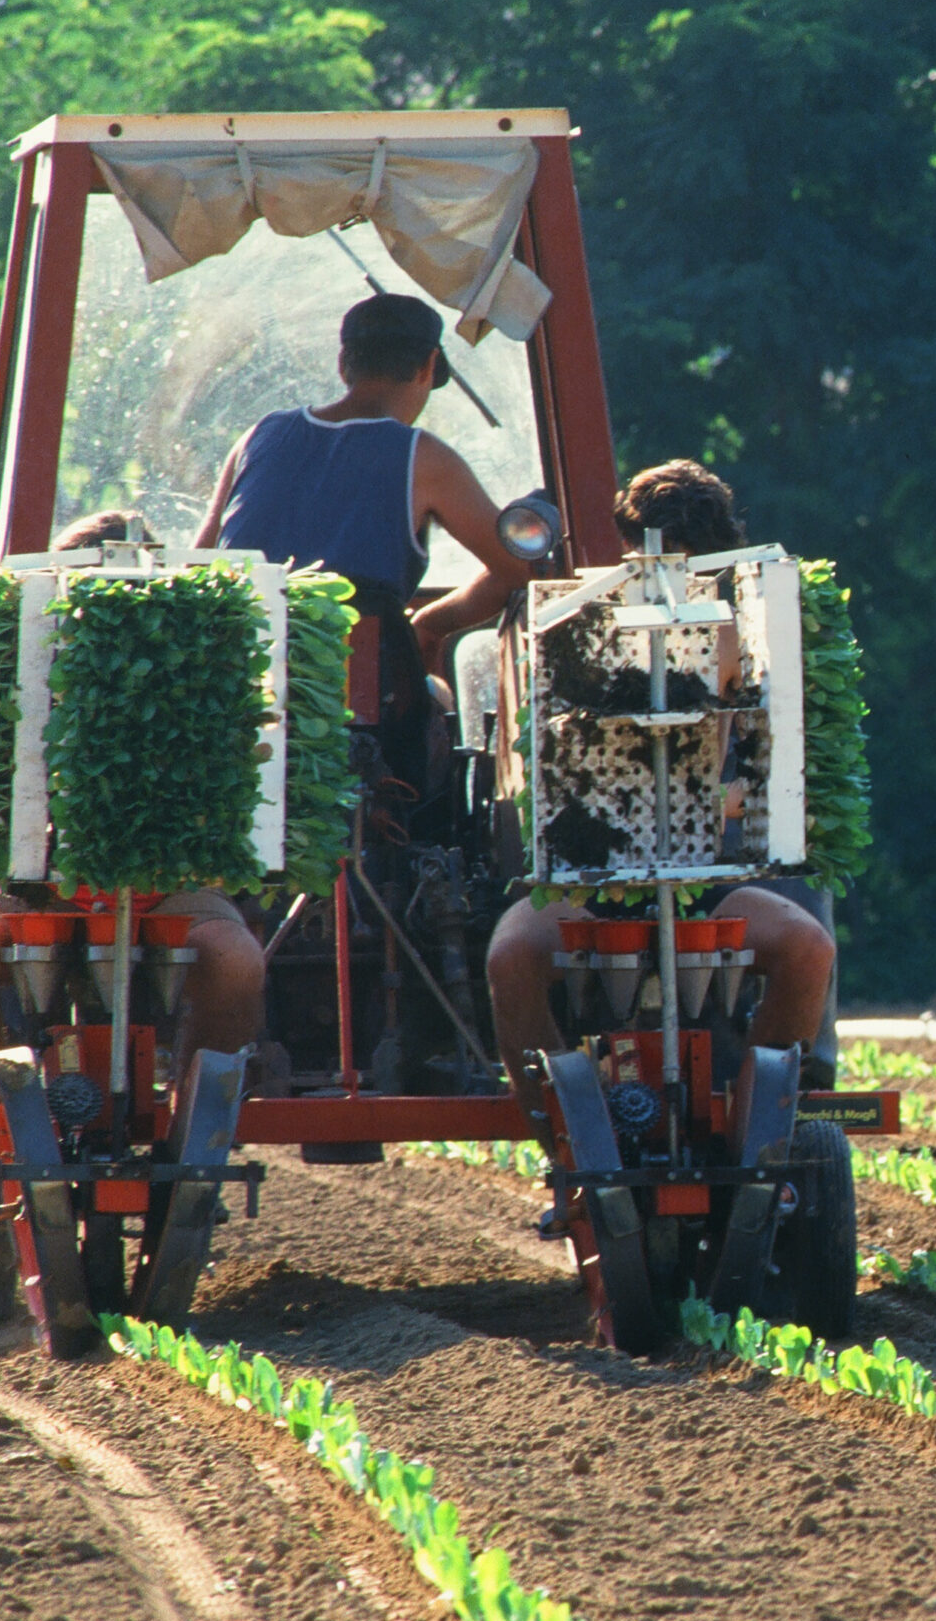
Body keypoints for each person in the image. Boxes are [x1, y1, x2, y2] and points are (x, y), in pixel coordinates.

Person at [0, 512, 272, 1225]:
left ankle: (193, 1146)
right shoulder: (8, 662)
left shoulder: (193, 672)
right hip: (32, 880)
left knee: (235, 957)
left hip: (167, 884)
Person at [484, 461, 838, 1109]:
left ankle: (761, 1112)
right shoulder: (581, 624)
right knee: (510, 956)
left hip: (703, 885)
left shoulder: (740, 634)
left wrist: (714, 804)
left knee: (808, 946)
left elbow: (762, 784)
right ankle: (560, 1119)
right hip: (594, 886)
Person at [196, 292, 531, 679]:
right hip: (358, 699)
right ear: (428, 367)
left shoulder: (259, 436)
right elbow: (517, 570)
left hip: (238, 685)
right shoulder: (423, 458)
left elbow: (198, 566)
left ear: (343, 365)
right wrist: (430, 625)